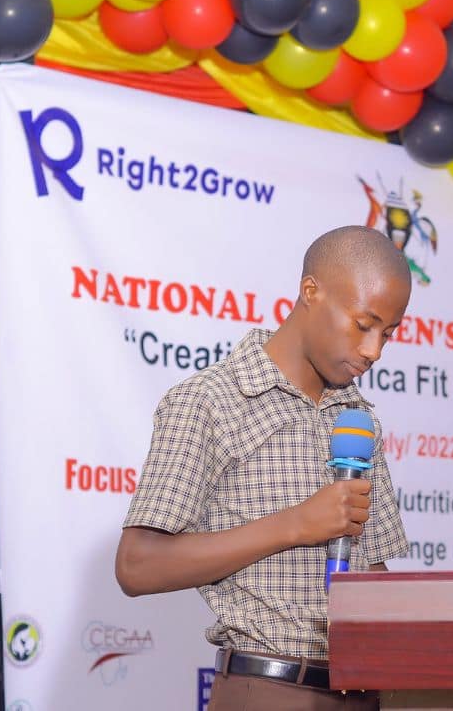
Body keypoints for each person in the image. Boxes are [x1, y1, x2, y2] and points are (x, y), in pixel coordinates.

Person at [115, 224, 413, 710]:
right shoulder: (209, 401)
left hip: (362, 691)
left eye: (389, 334)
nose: (373, 350)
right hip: (268, 689)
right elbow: (136, 566)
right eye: (364, 324)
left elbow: (373, 568)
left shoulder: (358, 419)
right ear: (311, 292)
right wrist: (296, 524)